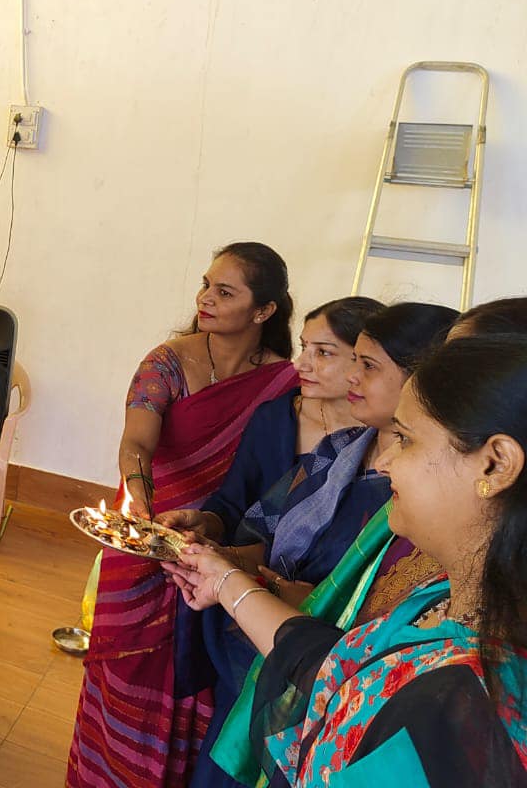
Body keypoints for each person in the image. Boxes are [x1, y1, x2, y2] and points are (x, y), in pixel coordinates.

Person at [167, 335, 527, 787]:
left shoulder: (467, 707)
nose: (386, 461)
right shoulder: (443, 595)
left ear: (495, 465)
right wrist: (224, 580)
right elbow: (339, 665)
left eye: (406, 439)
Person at [68, 242, 299, 788]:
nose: (205, 299)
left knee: (199, 673)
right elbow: (136, 443)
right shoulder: (166, 362)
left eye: (225, 292)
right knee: (127, 664)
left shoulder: (283, 383)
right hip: (147, 536)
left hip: (217, 548)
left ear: (264, 310)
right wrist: (141, 508)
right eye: (205, 285)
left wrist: (220, 540)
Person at [159, 296, 383, 550]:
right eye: (303, 347)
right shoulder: (276, 419)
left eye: (323, 352)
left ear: (367, 361)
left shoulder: (383, 440)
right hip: (243, 568)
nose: (300, 364)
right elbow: (232, 506)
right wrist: (206, 523)